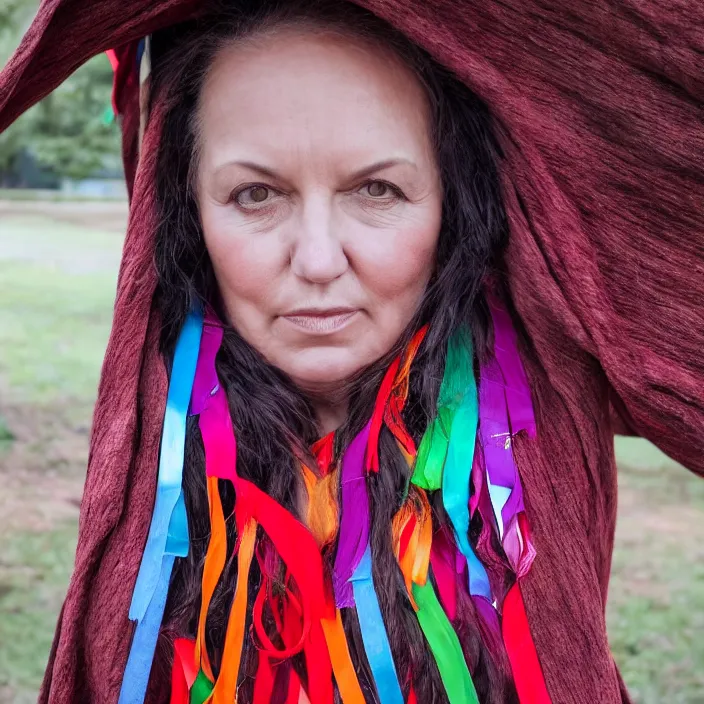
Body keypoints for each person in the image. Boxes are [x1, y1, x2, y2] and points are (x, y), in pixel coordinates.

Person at [0, 0, 702, 703]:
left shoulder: (541, 393)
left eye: (376, 189)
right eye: (255, 194)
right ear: (188, 216)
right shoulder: (153, 473)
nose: (317, 259)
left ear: (453, 204)